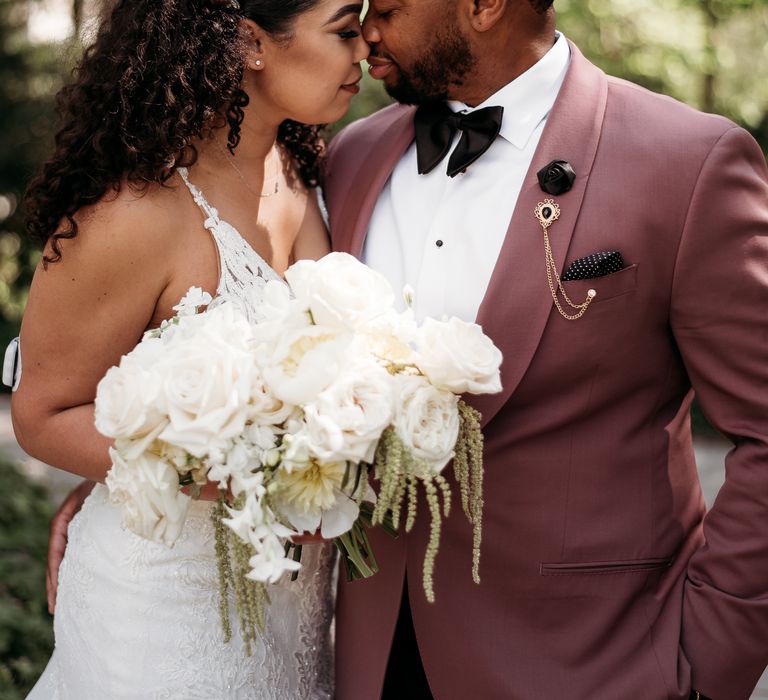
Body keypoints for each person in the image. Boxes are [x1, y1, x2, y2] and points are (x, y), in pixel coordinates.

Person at [320, 0, 768, 699]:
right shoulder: (350, 156)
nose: (366, 28)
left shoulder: (689, 162)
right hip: (373, 658)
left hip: (596, 665)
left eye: (390, 7)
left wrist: (712, 662)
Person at [11, 0, 367, 697]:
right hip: (162, 607)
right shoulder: (133, 213)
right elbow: (42, 414)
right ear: (250, 43)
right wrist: (240, 470)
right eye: (344, 31)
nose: (363, 53)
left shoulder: (300, 174)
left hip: (291, 607)